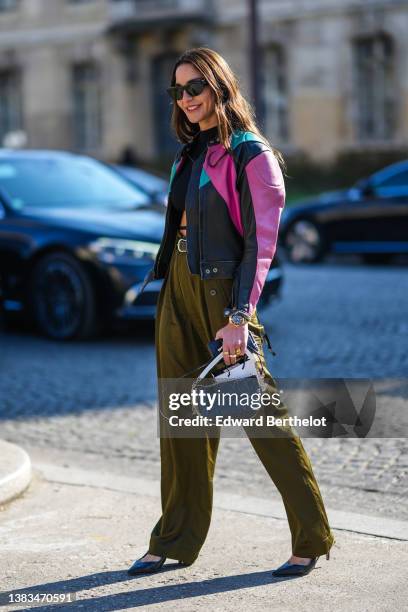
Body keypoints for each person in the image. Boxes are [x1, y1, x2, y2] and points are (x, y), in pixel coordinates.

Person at [127, 47, 335, 578]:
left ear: (220, 84)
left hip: (224, 298)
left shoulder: (251, 154)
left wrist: (240, 314)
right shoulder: (189, 153)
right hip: (178, 290)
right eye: (178, 91)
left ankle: (311, 535)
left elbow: (260, 246)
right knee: (182, 422)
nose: (186, 99)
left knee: (258, 416)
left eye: (195, 87)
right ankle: (174, 539)